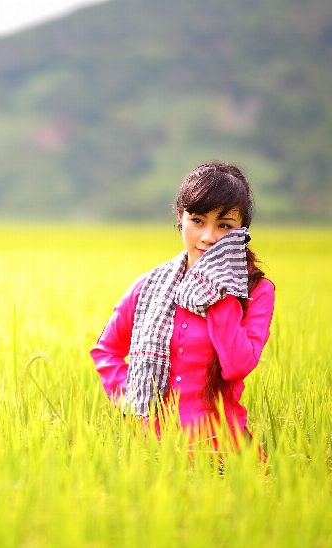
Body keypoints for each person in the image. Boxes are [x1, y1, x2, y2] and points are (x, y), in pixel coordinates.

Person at [90, 161, 275, 449]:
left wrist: (218, 290)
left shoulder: (255, 292)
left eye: (224, 225)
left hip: (222, 449)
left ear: (242, 231)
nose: (209, 237)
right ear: (181, 217)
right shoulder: (149, 286)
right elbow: (106, 351)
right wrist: (134, 397)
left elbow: (237, 366)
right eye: (198, 220)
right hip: (151, 450)